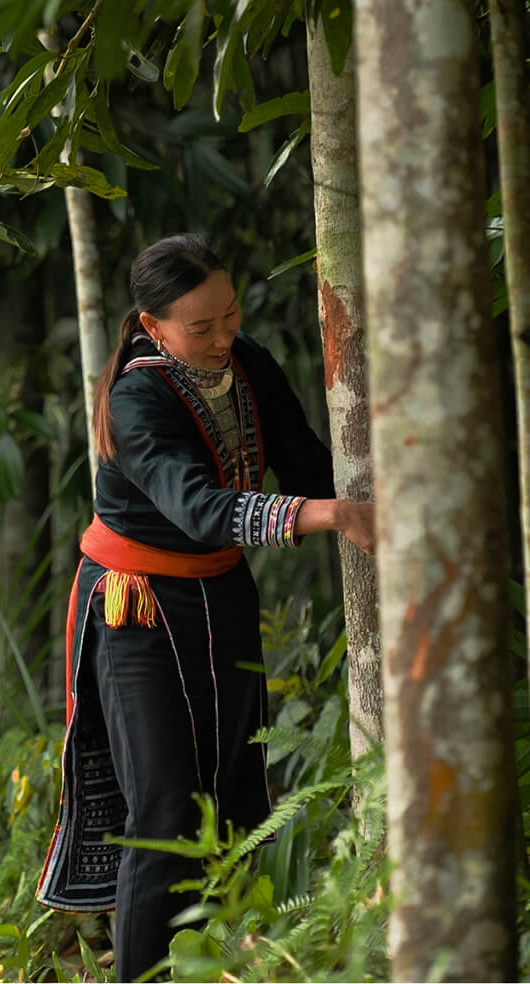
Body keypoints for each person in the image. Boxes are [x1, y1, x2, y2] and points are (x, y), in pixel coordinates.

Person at [36, 234, 375, 981]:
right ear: (154, 328)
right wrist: (325, 515)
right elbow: (196, 507)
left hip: (222, 592)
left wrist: (368, 503)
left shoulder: (247, 361)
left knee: (239, 795)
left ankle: (226, 965)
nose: (225, 336)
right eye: (203, 328)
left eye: (232, 315)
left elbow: (308, 458)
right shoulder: (134, 397)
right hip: (136, 607)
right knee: (163, 813)